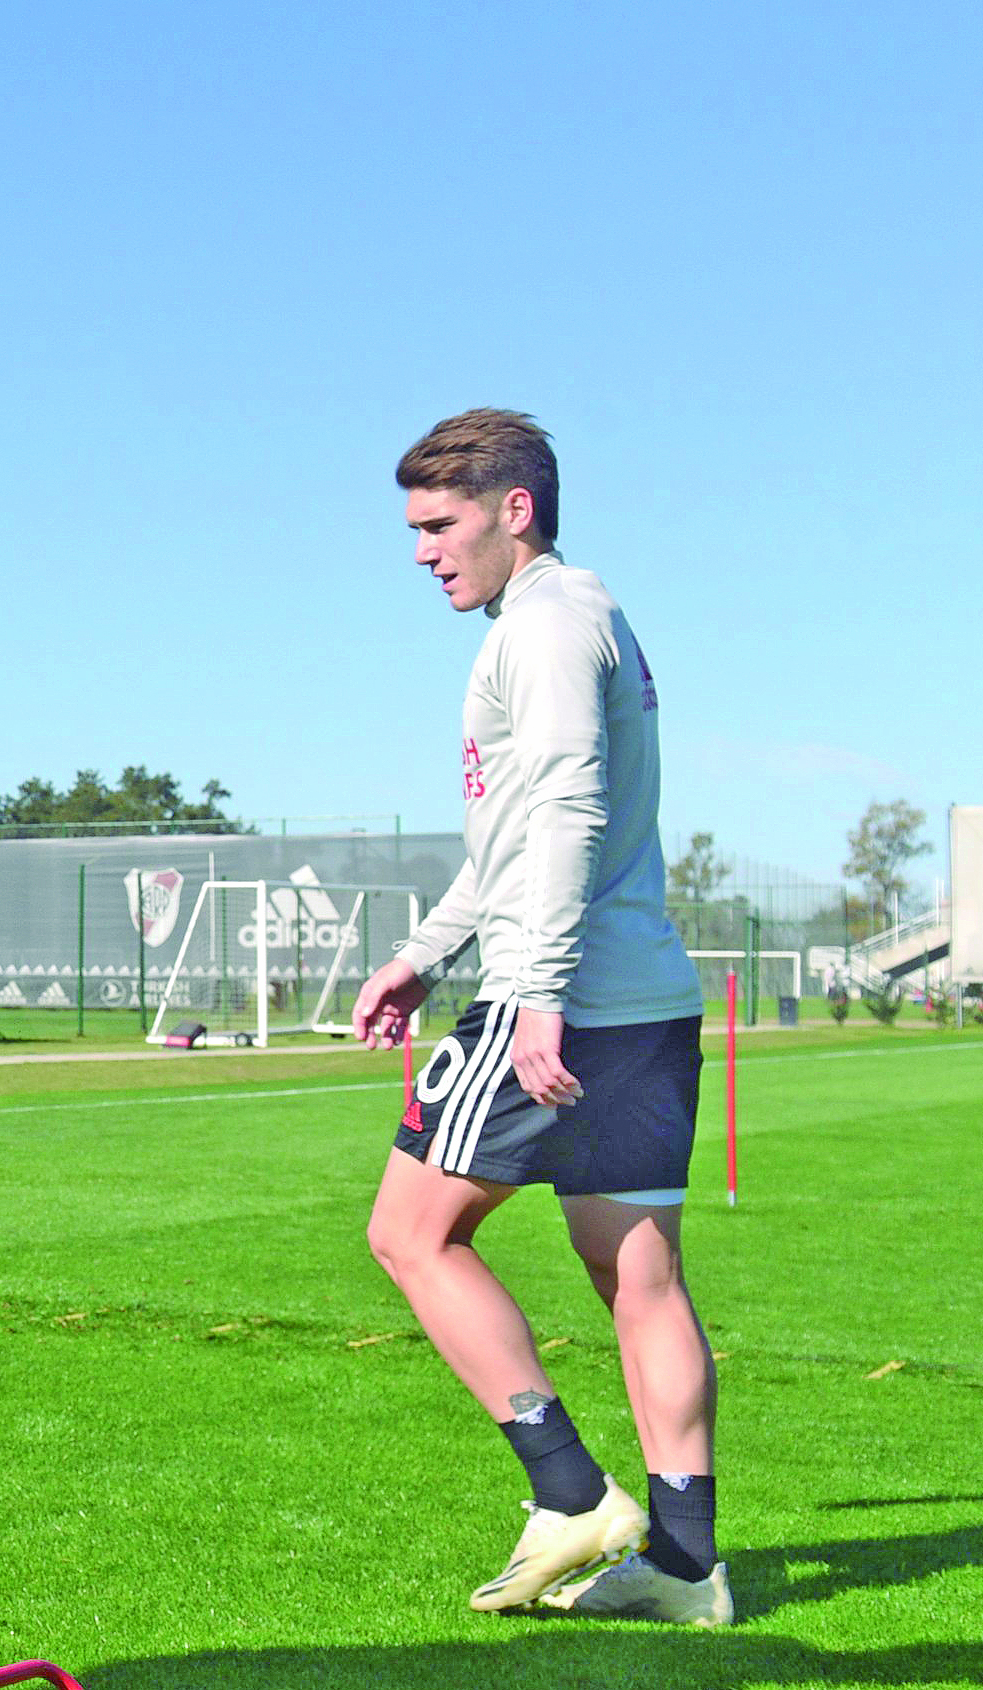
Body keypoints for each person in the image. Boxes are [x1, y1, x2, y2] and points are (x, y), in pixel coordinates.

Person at [351, 410, 731, 1626]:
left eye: (438, 523)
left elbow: (562, 807)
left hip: (552, 999)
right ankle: (685, 1566)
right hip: (643, 999)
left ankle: (568, 1491)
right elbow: (518, 834)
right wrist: (424, 951)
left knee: (411, 1232)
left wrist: (536, 992)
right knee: (637, 1273)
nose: (421, 550)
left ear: (516, 509)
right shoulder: (588, 614)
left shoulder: (544, 629)